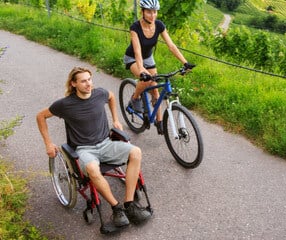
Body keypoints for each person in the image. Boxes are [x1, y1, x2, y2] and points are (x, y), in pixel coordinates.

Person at [36, 67, 151, 227]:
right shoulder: (65, 104)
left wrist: (116, 119)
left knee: (136, 152)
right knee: (92, 168)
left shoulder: (100, 94)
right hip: (84, 149)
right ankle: (116, 208)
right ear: (73, 83)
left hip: (106, 143)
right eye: (83, 81)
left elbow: (111, 97)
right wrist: (48, 143)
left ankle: (129, 204)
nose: (88, 84)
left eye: (89, 79)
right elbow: (41, 116)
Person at [123, 0, 195, 134]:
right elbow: (137, 52)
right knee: (145, 79)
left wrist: (185, 62)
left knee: (155, 88)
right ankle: (135, 98)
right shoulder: (135, 27)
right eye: (149, 12)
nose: (152, 15)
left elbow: (171, 46)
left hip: (148, 57)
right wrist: (142, 70)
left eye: (154, 12)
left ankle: (159, 121)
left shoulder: (159, 25)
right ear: (142, 12)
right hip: (133, 57)